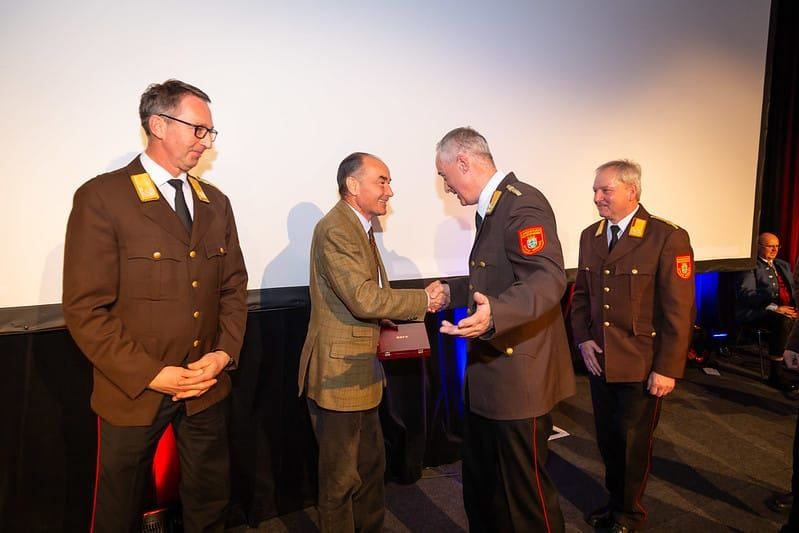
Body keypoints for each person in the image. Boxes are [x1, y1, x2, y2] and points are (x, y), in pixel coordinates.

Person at [62, 79, 248, 533]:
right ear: (158, 124)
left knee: (210, 502)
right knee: (119, 509)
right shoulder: (103, 197)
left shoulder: (215, 203)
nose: (206, 142)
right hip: (134, 390)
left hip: (205, 385)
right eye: (198, 129)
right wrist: (151, 373)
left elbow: (233, 289)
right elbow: (86, 309)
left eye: (210, 132)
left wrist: (222, 355)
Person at [297, 152, 449, 533]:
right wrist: (423, 300)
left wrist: (389, 317)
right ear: (353, 185)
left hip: (362, 372)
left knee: (369, 470)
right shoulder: (336, 229)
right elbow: (362, 298)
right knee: (340, 481)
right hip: (339, 377)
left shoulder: (359, 227)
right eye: (382, 181)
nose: (390, 191)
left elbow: (360, 300)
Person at [435, 127, 576, 532]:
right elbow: (495, 278)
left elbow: (546, 278)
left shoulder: (521, 203)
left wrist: (495, 313)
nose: (446, 187)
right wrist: (451, 291)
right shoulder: (493, 208)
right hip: (492, 377)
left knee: (525, 500)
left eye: (446, 176)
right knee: (485, 488)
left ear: (464, 162)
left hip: (518, 380)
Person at [570, 159, 695, 532]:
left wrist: (667, 368)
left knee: (632, 444)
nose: (597, 197)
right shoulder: (590, 236)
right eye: (595, 190)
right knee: (608, 440)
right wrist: (583, 339)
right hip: (600, 361)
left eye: (605, 190)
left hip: (642, 363)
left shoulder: (666, 237)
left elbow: (679, 310)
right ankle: (615, 503)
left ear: (632, 191)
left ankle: (629, 514)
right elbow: (581, 296)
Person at [734, 232, 798, 395]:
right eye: (770, 246)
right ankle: (776, 374)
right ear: (759, 247)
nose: (774, 250)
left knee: (788, 318)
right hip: (757, 312)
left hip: (785, 309)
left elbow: (791, 291)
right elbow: (747, 294)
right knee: (783, 320)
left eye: (777, 246)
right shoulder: (750, 266)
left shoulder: (783, 265)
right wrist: (776, 308)